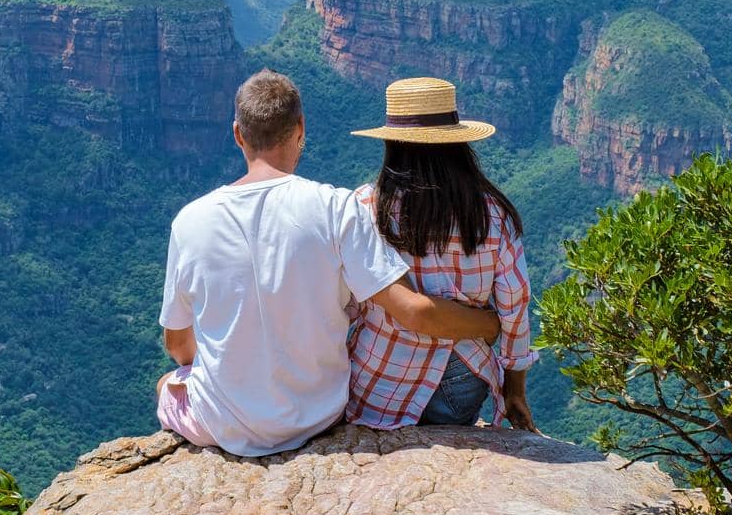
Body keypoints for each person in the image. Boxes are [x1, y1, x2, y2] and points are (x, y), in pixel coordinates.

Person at [157, 69, 502, 457]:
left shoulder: (189, 221)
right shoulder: (337, 208)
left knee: (168, 383)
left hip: (221, 422)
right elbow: (413, 310)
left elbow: (179, 344)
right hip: (319, 417)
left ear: (238, 133)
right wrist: (490, 323)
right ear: (301, 128)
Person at [346, 76, 537, 432]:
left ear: (392, 142)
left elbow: (348, 304)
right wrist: (515, 391)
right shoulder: (492, 215)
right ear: (457, 141)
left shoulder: (366, 206)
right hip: (461, 386)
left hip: (379, 382)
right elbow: (515, 303)